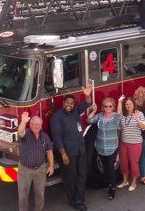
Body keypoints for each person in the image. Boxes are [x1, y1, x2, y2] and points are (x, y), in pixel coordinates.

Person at [49, 82, 94, 211]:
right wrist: (63, 154)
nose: (69, 105)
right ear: (63, 103)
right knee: (70, 178)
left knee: (82, 174)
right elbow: (57, 139)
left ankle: (79, 197)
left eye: (71, 103)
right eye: (67, 103)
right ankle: (74, 201)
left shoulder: (75, 111)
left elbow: (87, 103)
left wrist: (87, 95)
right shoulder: (56, 117)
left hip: (81, 149)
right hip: (68, 153)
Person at [16, 112, 54, 211]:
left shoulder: (45, 136)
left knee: (40, 194)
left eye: (38, 124)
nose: (36, 126)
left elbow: (49, 151)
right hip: (25, 170)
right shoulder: (25, 134)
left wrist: (51, 166)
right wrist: (23, 122)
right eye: (33, 124)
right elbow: (20, 131)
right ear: (30, 125)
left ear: (41, 125)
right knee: (23, 195)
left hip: (40, 169)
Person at [87, 97, 120, 200]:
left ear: (113, 107)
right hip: (100, 147)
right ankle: (110, 184)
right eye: (106, 106)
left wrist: (119, 102)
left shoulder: (115, 117)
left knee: (111, 169)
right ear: (103, 107)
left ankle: (113, 189)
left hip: (112, 147)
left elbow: (119, 114)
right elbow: (89, 120)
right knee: (105, 169)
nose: (108, 108)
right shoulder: (100, 116)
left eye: (110, 106)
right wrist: (94, 111)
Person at [115, 96, 145, 191]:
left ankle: (134, 182)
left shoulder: (139, 114)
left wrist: (137, 119)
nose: (129, 106)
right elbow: (119, 125)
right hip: (123, 143)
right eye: (127, 104)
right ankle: (125, 181)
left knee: (134, 163)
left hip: (135, 143)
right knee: (123, 163)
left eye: (130, 104)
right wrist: (119, 102)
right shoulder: (123, 115)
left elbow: (144, 127)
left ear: (134, 104)